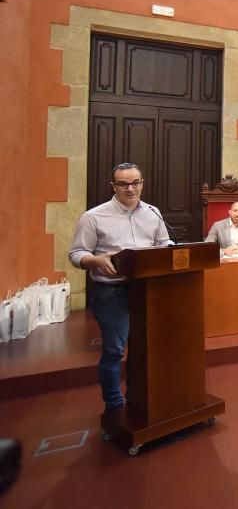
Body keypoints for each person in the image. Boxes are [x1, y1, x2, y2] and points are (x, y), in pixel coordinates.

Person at [68, 163, 170, 412]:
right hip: (111, 291)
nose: (131, 189)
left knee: (143, 349)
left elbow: (164, 242)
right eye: (123, 184)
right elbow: (76, 253)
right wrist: (95, 260)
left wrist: (171, 250)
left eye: (135, 182)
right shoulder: (94, 217)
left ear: (142, 183)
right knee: (114, 351)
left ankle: (139, 399)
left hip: (145, 289)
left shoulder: (153, 213)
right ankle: (114, 407)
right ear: (113, 186)